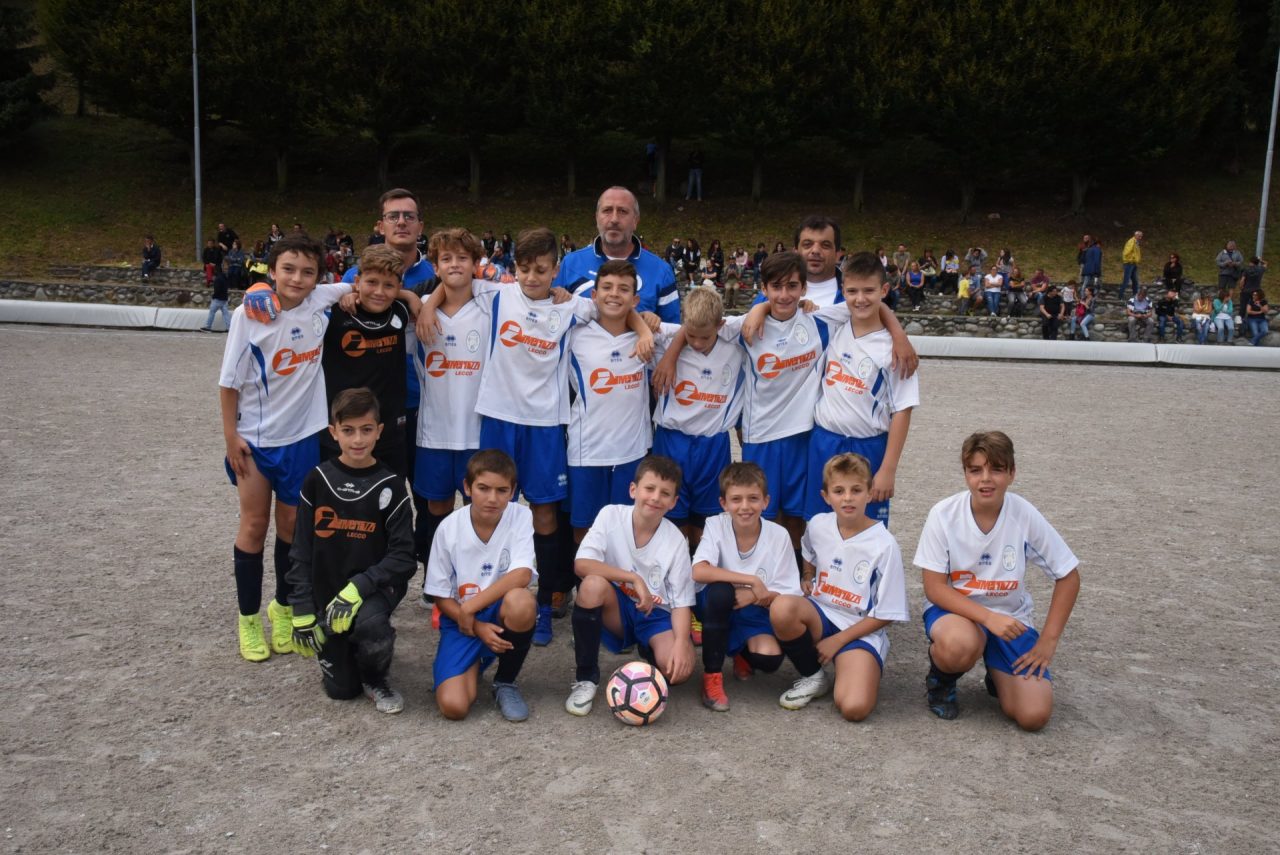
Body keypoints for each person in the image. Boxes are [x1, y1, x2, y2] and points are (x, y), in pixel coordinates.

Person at [418, 227, 653, 648]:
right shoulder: (496, 295)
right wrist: (427, 307)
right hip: (498, 419)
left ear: (555, 270)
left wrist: (646, 329)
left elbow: (616, 308)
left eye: (541, 270)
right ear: (515, 268)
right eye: (524, 269)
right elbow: (453, 281)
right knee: (488, 508)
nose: (532, 277)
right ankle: (473, 597)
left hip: (545, 425)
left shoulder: (571, 306)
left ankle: (545, 602)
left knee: (545, 514)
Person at [217, 234, 353, 661]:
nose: (297, 278)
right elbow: (228, 383)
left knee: (292, 529)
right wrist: (230, 436)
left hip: (302, 439)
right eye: (288, 269)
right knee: (254, 526)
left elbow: (359, 283)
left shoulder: (320, 301)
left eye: (307, 272)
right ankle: (248, 620)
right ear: (272, 271)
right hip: (256, 442)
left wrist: (356, 294)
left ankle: (282, 608)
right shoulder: (249, 314)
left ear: (319, 277)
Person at [916, 431, 1081, 730]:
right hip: (956, 614)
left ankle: (996, 668)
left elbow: (1068, 576)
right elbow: (934, 588)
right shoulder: (943, 514)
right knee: (960, 644)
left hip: (1009, 619)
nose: (985, 479)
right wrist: (988, 618)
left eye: (996, 469)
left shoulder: (1024, 514)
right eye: (975, 470)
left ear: (1012, 473)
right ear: (965, 474)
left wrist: (1047, 641)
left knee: (1033, 716)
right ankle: (941, 680)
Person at [287, 388, 416, 713]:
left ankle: (376, 677)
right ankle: (340, 645)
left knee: (372, 627)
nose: (358, 439)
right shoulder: (317, 480)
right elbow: (300, 549)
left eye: (366, 429)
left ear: (379, 431)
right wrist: (301, 608)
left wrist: (360, 586)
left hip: (373, 589)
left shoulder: (391, 485)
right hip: (328, 591)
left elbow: (404, 558)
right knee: (342, 691)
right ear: (333, 432)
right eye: (348, 430)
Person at [769, 453, 909, 719]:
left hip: (859, 627)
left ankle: (856, 662)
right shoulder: (818, 524)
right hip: (821, 614)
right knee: (782, 608)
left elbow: (887, 613)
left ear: (870, 493)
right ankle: (814, 675)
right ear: (826, 496)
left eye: (856, 490)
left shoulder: (884, 545)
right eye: (839, 491)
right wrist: (808, 575)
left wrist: (838, 641)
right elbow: (808, 551)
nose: (847, 498)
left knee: (854, 708)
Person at [566, 456, 696, 715]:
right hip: (618, 609)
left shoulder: (676, 540)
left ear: (673, 502)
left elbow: (681, 602)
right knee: (591, 586)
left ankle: (650, 649)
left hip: (656, 615)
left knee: (678, 673)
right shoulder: (610, 515)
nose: (655, 498)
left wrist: (682, 642)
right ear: (633, 489)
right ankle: (586, 678)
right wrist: (633, 578)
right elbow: (581, 564)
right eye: (649, 488)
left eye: (665, 493)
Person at [804, 251, 919, 531]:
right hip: (824, 441)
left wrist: (888, 469)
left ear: (884, 290)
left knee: (867, 528)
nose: (860, 298)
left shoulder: (895, 350)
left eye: (869, 291)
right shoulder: (834, 324)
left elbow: (902, 410)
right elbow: (786, 308)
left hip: (869, 447)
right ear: (843, 291)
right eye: (852, 291)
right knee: (818, 525)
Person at [425, 450, 538, 722]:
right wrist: (474, 623)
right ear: (467, 487)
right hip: (460, 621)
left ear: (513, 491)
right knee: (454, 707)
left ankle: (505, 682)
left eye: (502, 490)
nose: (492, 498)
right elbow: (440, 595)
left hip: (494, 611)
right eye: (483, 488)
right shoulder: (448, 528)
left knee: (522, 602)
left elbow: (522, 574)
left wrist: (472, 607)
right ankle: (474, 660)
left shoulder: (521, 516)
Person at [410, 228, 486, 598]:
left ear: (475, 264)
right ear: (436, 267)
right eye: (446, 259)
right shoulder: (419, 307)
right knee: (436, 507)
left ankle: (475, 580)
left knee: (480, 509)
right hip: (434, 431)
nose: (455, 264)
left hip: (477, 431)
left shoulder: (491, 302)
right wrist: (423, 304)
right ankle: (436, 579)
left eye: (462, 258)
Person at [691, 462, 800, 711]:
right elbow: (698, 570)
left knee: (770, 660)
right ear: (723, 503)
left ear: (766, 501)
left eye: (753, 498)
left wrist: (753, 595)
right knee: (721, 591)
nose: (744, 506)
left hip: (753, 608)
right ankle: (712, 675)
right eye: (736, 499)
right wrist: (752, 580)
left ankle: (739, 650)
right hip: (717, 605)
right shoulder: (715, 524)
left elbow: (790, 591)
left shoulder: (779, 535)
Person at [650, 287, 746, 546]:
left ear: (720, 325)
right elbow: (631, 318)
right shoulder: (668, 338)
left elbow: (768, 312)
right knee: (670, 521)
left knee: (706, 525)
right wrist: (647, 319)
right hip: (671, 442)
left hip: (713, 445)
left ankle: (700, 570)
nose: (697, 343)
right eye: (690, 335)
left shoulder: (737, 345)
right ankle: (673, 570)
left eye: (705, 337)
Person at [566, 261, 653, 544]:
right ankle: (584, 575)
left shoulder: (648, 339)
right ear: (594, 295)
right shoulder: (573, 334)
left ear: (635, 300)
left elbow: (694, 332)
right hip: (586, 451)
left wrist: (647, 331)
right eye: (607, 287)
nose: (614, 294)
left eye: (623, 289)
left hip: (632, 451)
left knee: (627, 530)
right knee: (584, 530)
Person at [322, 245, 421, 478]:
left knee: (389, 494)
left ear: (398, 288)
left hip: (389, 431)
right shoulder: (334, 313)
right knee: (340, 496)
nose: (379, 292)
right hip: (342, 432)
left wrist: (410, 296)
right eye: (371, 283)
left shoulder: (400, 311)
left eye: (388, 286)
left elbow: (444, 287)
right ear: (357, 281)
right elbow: (303, 295)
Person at [555, 186, 681, 323]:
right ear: (597, 218)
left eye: (622, 211)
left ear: (635, 221)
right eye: (607, 210)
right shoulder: (570, 264)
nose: (614, 219)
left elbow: (671, 331)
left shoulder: (661, 271)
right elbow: (551, 318)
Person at [200, 261, 231, 332]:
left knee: (212, 313)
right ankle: (229, 328)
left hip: (217, 299)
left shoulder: (218, 278)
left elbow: (217, 290)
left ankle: (208, 327)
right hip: (224, 299)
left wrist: (214, 296)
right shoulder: (226, 277)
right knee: (225, 314)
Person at [1121, 230, 1143, 298]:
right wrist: (1132, 259)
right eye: (1139, 236)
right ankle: (1120, 296)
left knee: (1135, 281)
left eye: (1141, 236)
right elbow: (1126, 252)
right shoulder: (1131, 242)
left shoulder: (1136, 242)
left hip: (1134, 263)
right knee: (1126, 280)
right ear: (1135, 235)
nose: (1140, 238)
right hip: (1129, 263)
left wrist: (1135, 260)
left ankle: (1135, 296)